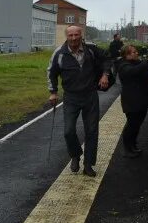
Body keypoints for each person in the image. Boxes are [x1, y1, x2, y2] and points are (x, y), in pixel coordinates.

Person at [47, 25, 110, 177]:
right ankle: (75, 155)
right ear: (66, 36)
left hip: (90, 96)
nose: (74, 38)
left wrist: (105, 75)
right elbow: (51, 72)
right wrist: (53, 92)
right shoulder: (60, 53)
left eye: (77, 35)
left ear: (81, 35)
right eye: (71, 35)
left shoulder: (91, 49)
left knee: (92, 131)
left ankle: (88, 165)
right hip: (71, 97)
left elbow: (107, 58)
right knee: (68, 131)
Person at [115, 44, 148, 157]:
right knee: (132, 125)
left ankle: (133, 145)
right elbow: (134, 71)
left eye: (136, 51)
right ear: (126, 55)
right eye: (133, 52)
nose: (136, 53)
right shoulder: (123, 66)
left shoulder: (136, 62)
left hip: (141, 100)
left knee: (137, 124)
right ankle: (127, 149)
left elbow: (143, 68)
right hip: (132, 101)